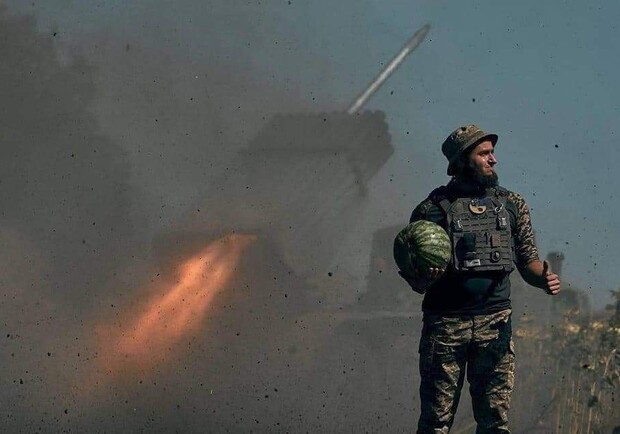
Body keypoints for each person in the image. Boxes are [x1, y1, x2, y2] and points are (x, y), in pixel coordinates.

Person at [398, 124, 561, 433]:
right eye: (483, 153)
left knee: (494, 423)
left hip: (495, 324)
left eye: (492, 152)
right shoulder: (430, 211)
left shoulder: (512, 204)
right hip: (446, 326)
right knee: (435, 422)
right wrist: (425, 278)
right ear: (461, 161)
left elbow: (528, 261)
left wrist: (543, 278)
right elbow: (416, 280)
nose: (493, 159)